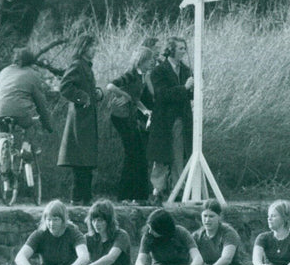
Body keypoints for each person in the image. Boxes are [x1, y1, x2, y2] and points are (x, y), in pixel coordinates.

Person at [105, 46, 156, 204]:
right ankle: (125, 195)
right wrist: (124, 94)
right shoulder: (131, 74)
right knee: (133, 153)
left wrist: (145, 110)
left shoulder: (142, 76)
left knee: (138, 154)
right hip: (121, 116)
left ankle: (138, 195)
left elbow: (135, 98)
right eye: (149, 60)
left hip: (129, 116)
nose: (152, 63)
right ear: (141, 61)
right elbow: (110, 86)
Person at [57, 35, 103, 206]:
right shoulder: (77, 65)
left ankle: (85, 197)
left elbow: (84, 88)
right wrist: (81, 97)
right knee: (80, 160)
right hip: (80, 120)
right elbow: (64, 87)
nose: (94, 50)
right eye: (91, 46)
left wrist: (96, 93)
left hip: (86, 118)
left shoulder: (86, 66)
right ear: (83, 47)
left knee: (86, 160)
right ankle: (78, 198)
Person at [147, 37, 194, 205]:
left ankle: (178, 188)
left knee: (179, 155)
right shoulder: (159, 71)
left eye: (184, 48)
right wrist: (184, 88)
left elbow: (190, 96)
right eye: (180, 48)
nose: (184, 51)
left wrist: (196, 88)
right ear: (171, 50)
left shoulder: (186, 71)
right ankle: (158, 190)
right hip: (164, 121)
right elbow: (161, 95)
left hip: (182, 120)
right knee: (161, 157)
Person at [13, 199, 90, 265]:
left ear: (63, 220)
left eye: (56, 219)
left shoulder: (74, 233)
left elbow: (84, 257)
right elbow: (20, 257)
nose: (51, 224)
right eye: (48, 220)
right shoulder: (40, 234)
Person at [134, 208, 203, 265]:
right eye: (149, 228)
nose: (150, 231)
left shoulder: (181, 232)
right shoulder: (147, 236)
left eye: (153, 229)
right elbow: (139, 262)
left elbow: (198, 258)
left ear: (164, 230)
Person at [0, 46, 54, 132]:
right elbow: (41, 103)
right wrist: (47, 125)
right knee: (30, 129)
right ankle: (27, 143)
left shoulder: (4, 71)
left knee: (2, 137)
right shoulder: (33, 74)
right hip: (20, 114)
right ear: (31, 61)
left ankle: (0, 143)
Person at [79, 199, 134, 265]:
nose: (96, 224)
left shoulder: (121, 235)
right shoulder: (88, 238)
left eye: (100, 220)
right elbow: (80, 258)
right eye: (94, 220)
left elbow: (110, 258)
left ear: (109, 221)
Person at [192, 198, 246, 265]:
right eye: (205, 216)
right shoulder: (197, 236)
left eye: (211, 216)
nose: (207, 220)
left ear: (219, 217)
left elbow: (226, 259)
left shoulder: (229, 233)